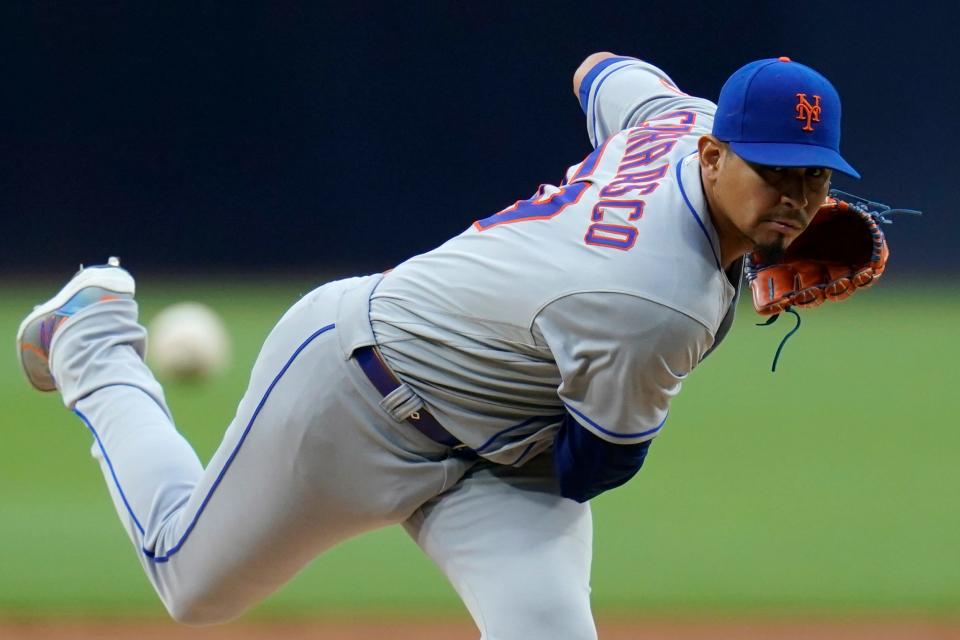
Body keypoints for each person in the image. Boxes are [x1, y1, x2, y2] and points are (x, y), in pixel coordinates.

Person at [17, 52, 859, 639]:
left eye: (812, 177)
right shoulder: (652, 304)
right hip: (356, 394)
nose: (796, 196)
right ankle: (93, 336)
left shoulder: (679, 120)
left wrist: (742, 233)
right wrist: (735, 268)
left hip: (492, 446)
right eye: (774, 174)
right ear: (713, 155)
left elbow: (601, 70)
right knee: (190, 584)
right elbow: (592, 467)